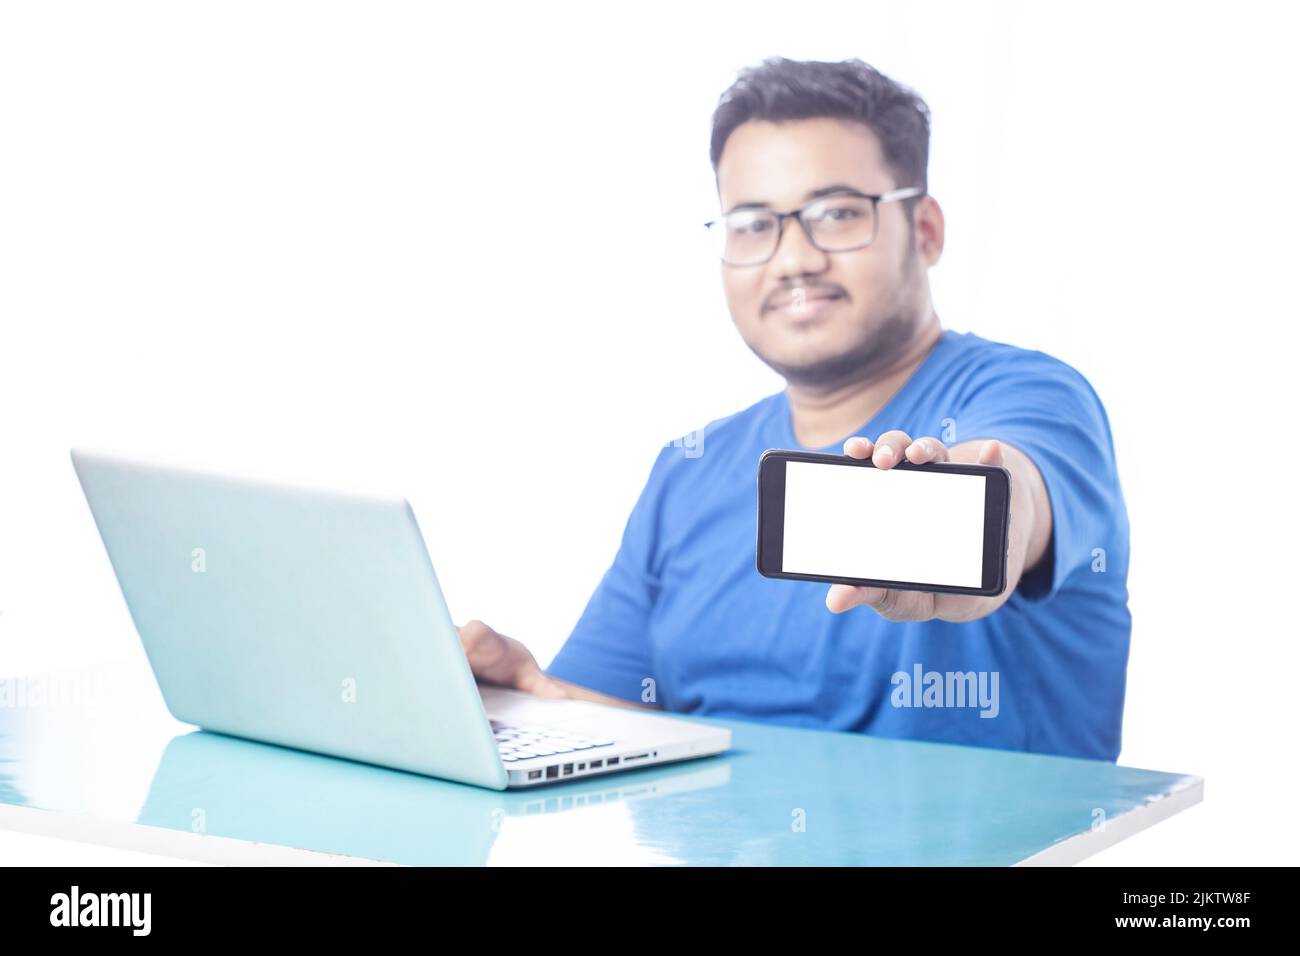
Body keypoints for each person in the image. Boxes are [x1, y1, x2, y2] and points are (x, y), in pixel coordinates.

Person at [458, 57, 1130, 761]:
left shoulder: (1036, 396)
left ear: (925, 231)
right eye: (753, 224)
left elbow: (1012, 496)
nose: (792, 260)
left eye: (837, 214)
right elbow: (623, 725)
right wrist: (524, 694)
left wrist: (968, 529)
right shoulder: (688, 471)